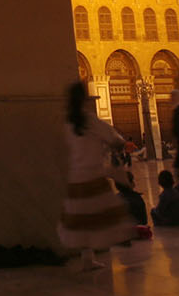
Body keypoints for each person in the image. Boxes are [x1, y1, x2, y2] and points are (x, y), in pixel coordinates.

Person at [57, 81, 135, 272]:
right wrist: (120, 144)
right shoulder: (90, 120)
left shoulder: (68, 123)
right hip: (93, 177)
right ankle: (125, 243)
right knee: (108, 215)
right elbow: (112, 137)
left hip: (76, 178)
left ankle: (87, 258)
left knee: (83, 221)